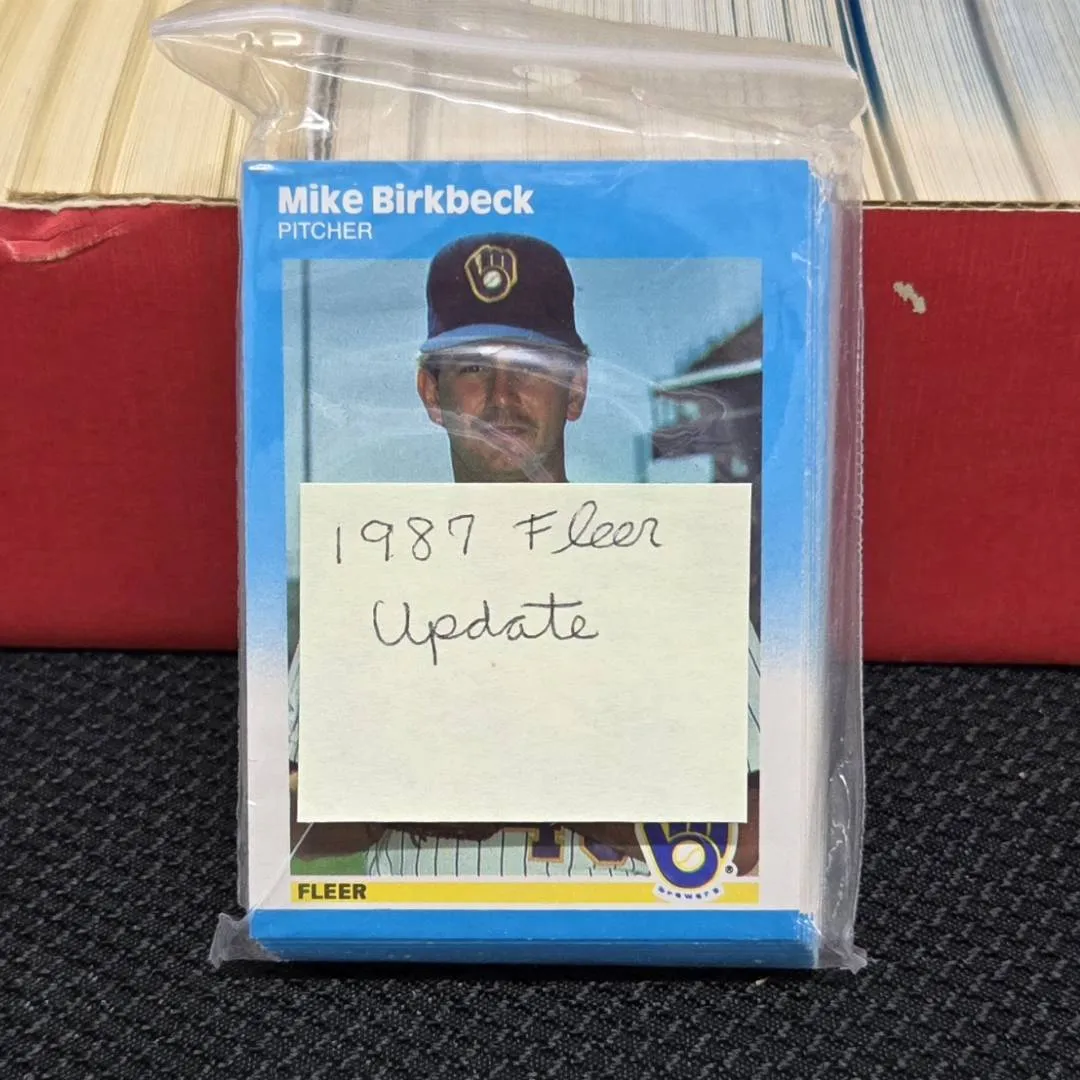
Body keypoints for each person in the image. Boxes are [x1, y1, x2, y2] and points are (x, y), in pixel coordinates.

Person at [289, 234, 760, 880]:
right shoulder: (372, 569)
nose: (503, 396)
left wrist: (555, 782)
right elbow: (284, 818)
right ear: (431, 391)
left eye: (531, 366)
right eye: (473, 368)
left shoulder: (671, 567)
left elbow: (760, 826)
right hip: (420, 933)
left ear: (577, 388)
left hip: (621, 930)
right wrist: (417, 787)